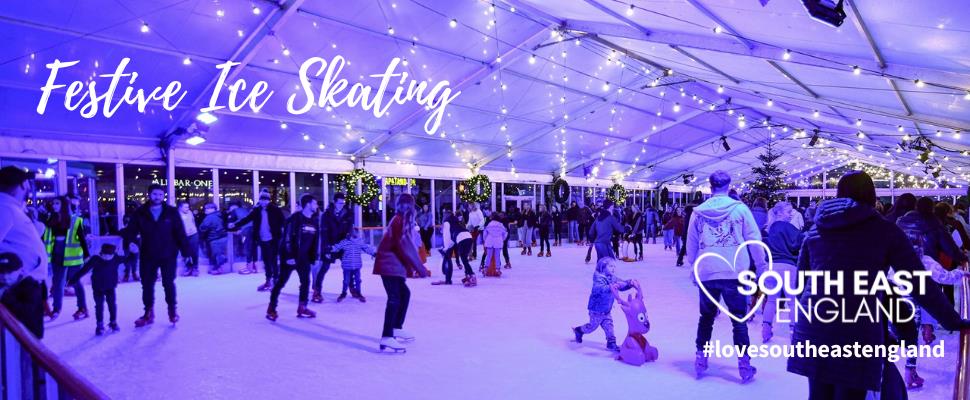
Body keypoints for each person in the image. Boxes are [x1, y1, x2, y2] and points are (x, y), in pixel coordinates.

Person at [686, 171, 765, 383]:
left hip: (707, 270)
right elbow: (754, 238)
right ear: (728, 186)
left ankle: (701, 358)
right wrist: (761, 266)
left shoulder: (698, 213)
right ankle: (744, 365)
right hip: (734, 271)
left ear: (710, 186)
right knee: (739, 319)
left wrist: (694, 266)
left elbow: (691, 244)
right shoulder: (740, 209)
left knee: (706, 317)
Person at [123, 184, 189, 327]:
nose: (157, 197)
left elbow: (180, 232)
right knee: (147, 284)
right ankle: (148, 313)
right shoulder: (140, 212)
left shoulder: (171, 212)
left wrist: (186, 251)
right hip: (148, 254)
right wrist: (130, 242)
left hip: (168, 254)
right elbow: (130, 231)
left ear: (163, 196)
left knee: (168, 283)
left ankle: (172, 311)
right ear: (149, 194)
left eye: (160, 194)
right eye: (154, 194)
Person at [374, 194, 429, 353]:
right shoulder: (398, 220)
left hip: (394, 266)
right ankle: (387, 336)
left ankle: (396, 327)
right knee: (394, 298)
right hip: (388, 265)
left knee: (404, 294)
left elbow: (408, 243)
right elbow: (405, 245)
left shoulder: (402, 220)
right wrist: (419, 267)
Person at [0, 166, 48, 338]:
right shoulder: (5, 208)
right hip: (20, 288)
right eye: (27, 182)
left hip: (26, 285)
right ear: (22, 185)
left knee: (30, 338)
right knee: (26, 340)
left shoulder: (12, 208)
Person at [266, 194, 319, 321]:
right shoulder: (294, 219)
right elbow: (287, 238)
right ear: (308, 204)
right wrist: (289, 255)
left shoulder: (314, 220)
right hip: (289, 256)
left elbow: (314, 241)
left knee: (305, 282)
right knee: (281, 282)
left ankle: (302, 307)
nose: (317, 206)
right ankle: (271, 308)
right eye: (314, 203)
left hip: (304, 258)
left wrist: (313, 257)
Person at [571, 257, 634, 352]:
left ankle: (611, 343)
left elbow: (621, 284)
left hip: (606, 310)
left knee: (609, 326)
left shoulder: (612, 277)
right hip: (596, 310)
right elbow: (599, 289)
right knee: (592, 327)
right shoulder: (598, 278)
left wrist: (629, 283)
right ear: (603, 267)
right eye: (610, 266)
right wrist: (610, 287)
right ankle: (579, 330)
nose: (613, 268)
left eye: (614, 266)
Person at [761, 202, 803, 343]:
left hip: (771, 267)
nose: (791, 214)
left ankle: (766, 330)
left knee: (771, 300)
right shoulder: (788, 227)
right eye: (788, 211)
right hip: (787, 266)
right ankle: (793, 334)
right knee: (792, 302)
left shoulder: (770, 228)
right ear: (779, 212)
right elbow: (799, 242)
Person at [43, 196, 90, 321]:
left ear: (64, 205)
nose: (54, 205)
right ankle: (56, 309)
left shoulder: (75, 220)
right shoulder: (51, 219)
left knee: (75, 282)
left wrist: (86, 254)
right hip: (57, 255)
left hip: (73, 257)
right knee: (57, 283)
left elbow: (82, 238)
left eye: (57, 203)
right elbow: (46, 238)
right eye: (53, 203)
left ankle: (83, 308)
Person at [229, 191, 285, 290]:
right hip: (262, 239)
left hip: (273, 239)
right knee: (266, 261)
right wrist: (235, 224)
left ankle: (275, 281)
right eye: (262, 200)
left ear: (269, 200)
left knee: (273, 261)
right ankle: (268, 281)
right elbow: (247, 219)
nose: (263, 202)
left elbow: (283, 222)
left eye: (266, 200)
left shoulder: (275, 210)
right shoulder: (257, 210)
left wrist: (284, 233)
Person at [68, 244, 121, 335]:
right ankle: (100, 325)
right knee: (100, 305)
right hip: (98, 287)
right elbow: (84, 270)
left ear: (113, 254)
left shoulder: (115, 258)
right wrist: (73, 279)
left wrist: (134, 253)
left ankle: (113, 322)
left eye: (109, 255)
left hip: (110, 287)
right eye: (105, 255)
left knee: (111, 304)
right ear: (101, 253)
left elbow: (128, 259)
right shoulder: (96, 259)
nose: (107, 257)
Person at [315, 192, 353, 303]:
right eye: (340, 203)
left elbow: (349, 229)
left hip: (342, 245)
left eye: (343, 203)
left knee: (347, 268)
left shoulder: (348, 213)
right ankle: (317, 291)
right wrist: (327, 248)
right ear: (334, 202)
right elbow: (324, 232)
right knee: (324, 268)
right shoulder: (326, 215)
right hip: (330, 245)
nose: (342, 205)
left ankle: (352, 289)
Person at [332, 227, 376, 302]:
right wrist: (329, 249)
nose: (356, 233)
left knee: (358, 280)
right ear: (350, 233)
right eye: (354, 232)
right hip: (347, 266)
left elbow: (366, 248)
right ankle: (343, 293)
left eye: (357, 232)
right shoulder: (345, 242)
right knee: (346, 281)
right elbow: (337, 247)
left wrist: (373, 253)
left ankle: (358, 293)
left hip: (357, 265)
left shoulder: (360, 242)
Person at [435, 209, 475, 286]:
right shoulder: (455, 219)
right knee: (464, 259)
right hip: (468, 236)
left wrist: (446, 248)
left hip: (461, 238)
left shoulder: (447, 221)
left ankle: (449, 280)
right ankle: (470, 275)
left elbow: (447, 236)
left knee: (449, 257)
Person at [198, 202, 228, 275]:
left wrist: (200, 235)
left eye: (207, 208)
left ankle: (218, 269)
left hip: (214, 238)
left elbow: (203, 228)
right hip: (221, 237)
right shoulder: (218, 215)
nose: (205, 210)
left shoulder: (210, 217)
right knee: (218, 254)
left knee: (215, 255)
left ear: (212, 209)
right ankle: (218, 268)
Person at [227, 201, 254, 274]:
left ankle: (249, 268)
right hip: (253, 229)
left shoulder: (234, 211)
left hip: (247, 230)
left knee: (247, 248)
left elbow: (230, 225)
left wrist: (232, 227)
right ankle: (254, 266)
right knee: (252, 248)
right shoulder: (245, 210)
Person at [177, 201, 201, 277]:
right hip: (183, 236)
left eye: (188, 207)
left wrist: (193, 229)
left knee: (194, 252)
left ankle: (195, 268)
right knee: (185, 253)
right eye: (185, 207)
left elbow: (193, 222)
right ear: (180, 208)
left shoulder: (190, 213)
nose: (188, 208)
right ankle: (188, 267)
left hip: (193, 234)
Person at [481, 213, 507, 277]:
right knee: (497, 256)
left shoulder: (489, 225)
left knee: (488, 256)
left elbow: (485, 234)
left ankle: (485, 269)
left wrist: (485, 240)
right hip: (498, 242)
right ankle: (497, 270)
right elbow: (505, 234)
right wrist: (502, 239)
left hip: (490, 241)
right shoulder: (501, 225)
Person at [119, 214, 140, 282]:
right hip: (127, 247)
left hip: (135, 248)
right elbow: (120, 233)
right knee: (127, 261)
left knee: (134, 261)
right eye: (126, 221)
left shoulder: (136, 230)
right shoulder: (123, 230)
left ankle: (134, 273)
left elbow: (139, 237)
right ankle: (127, 274)